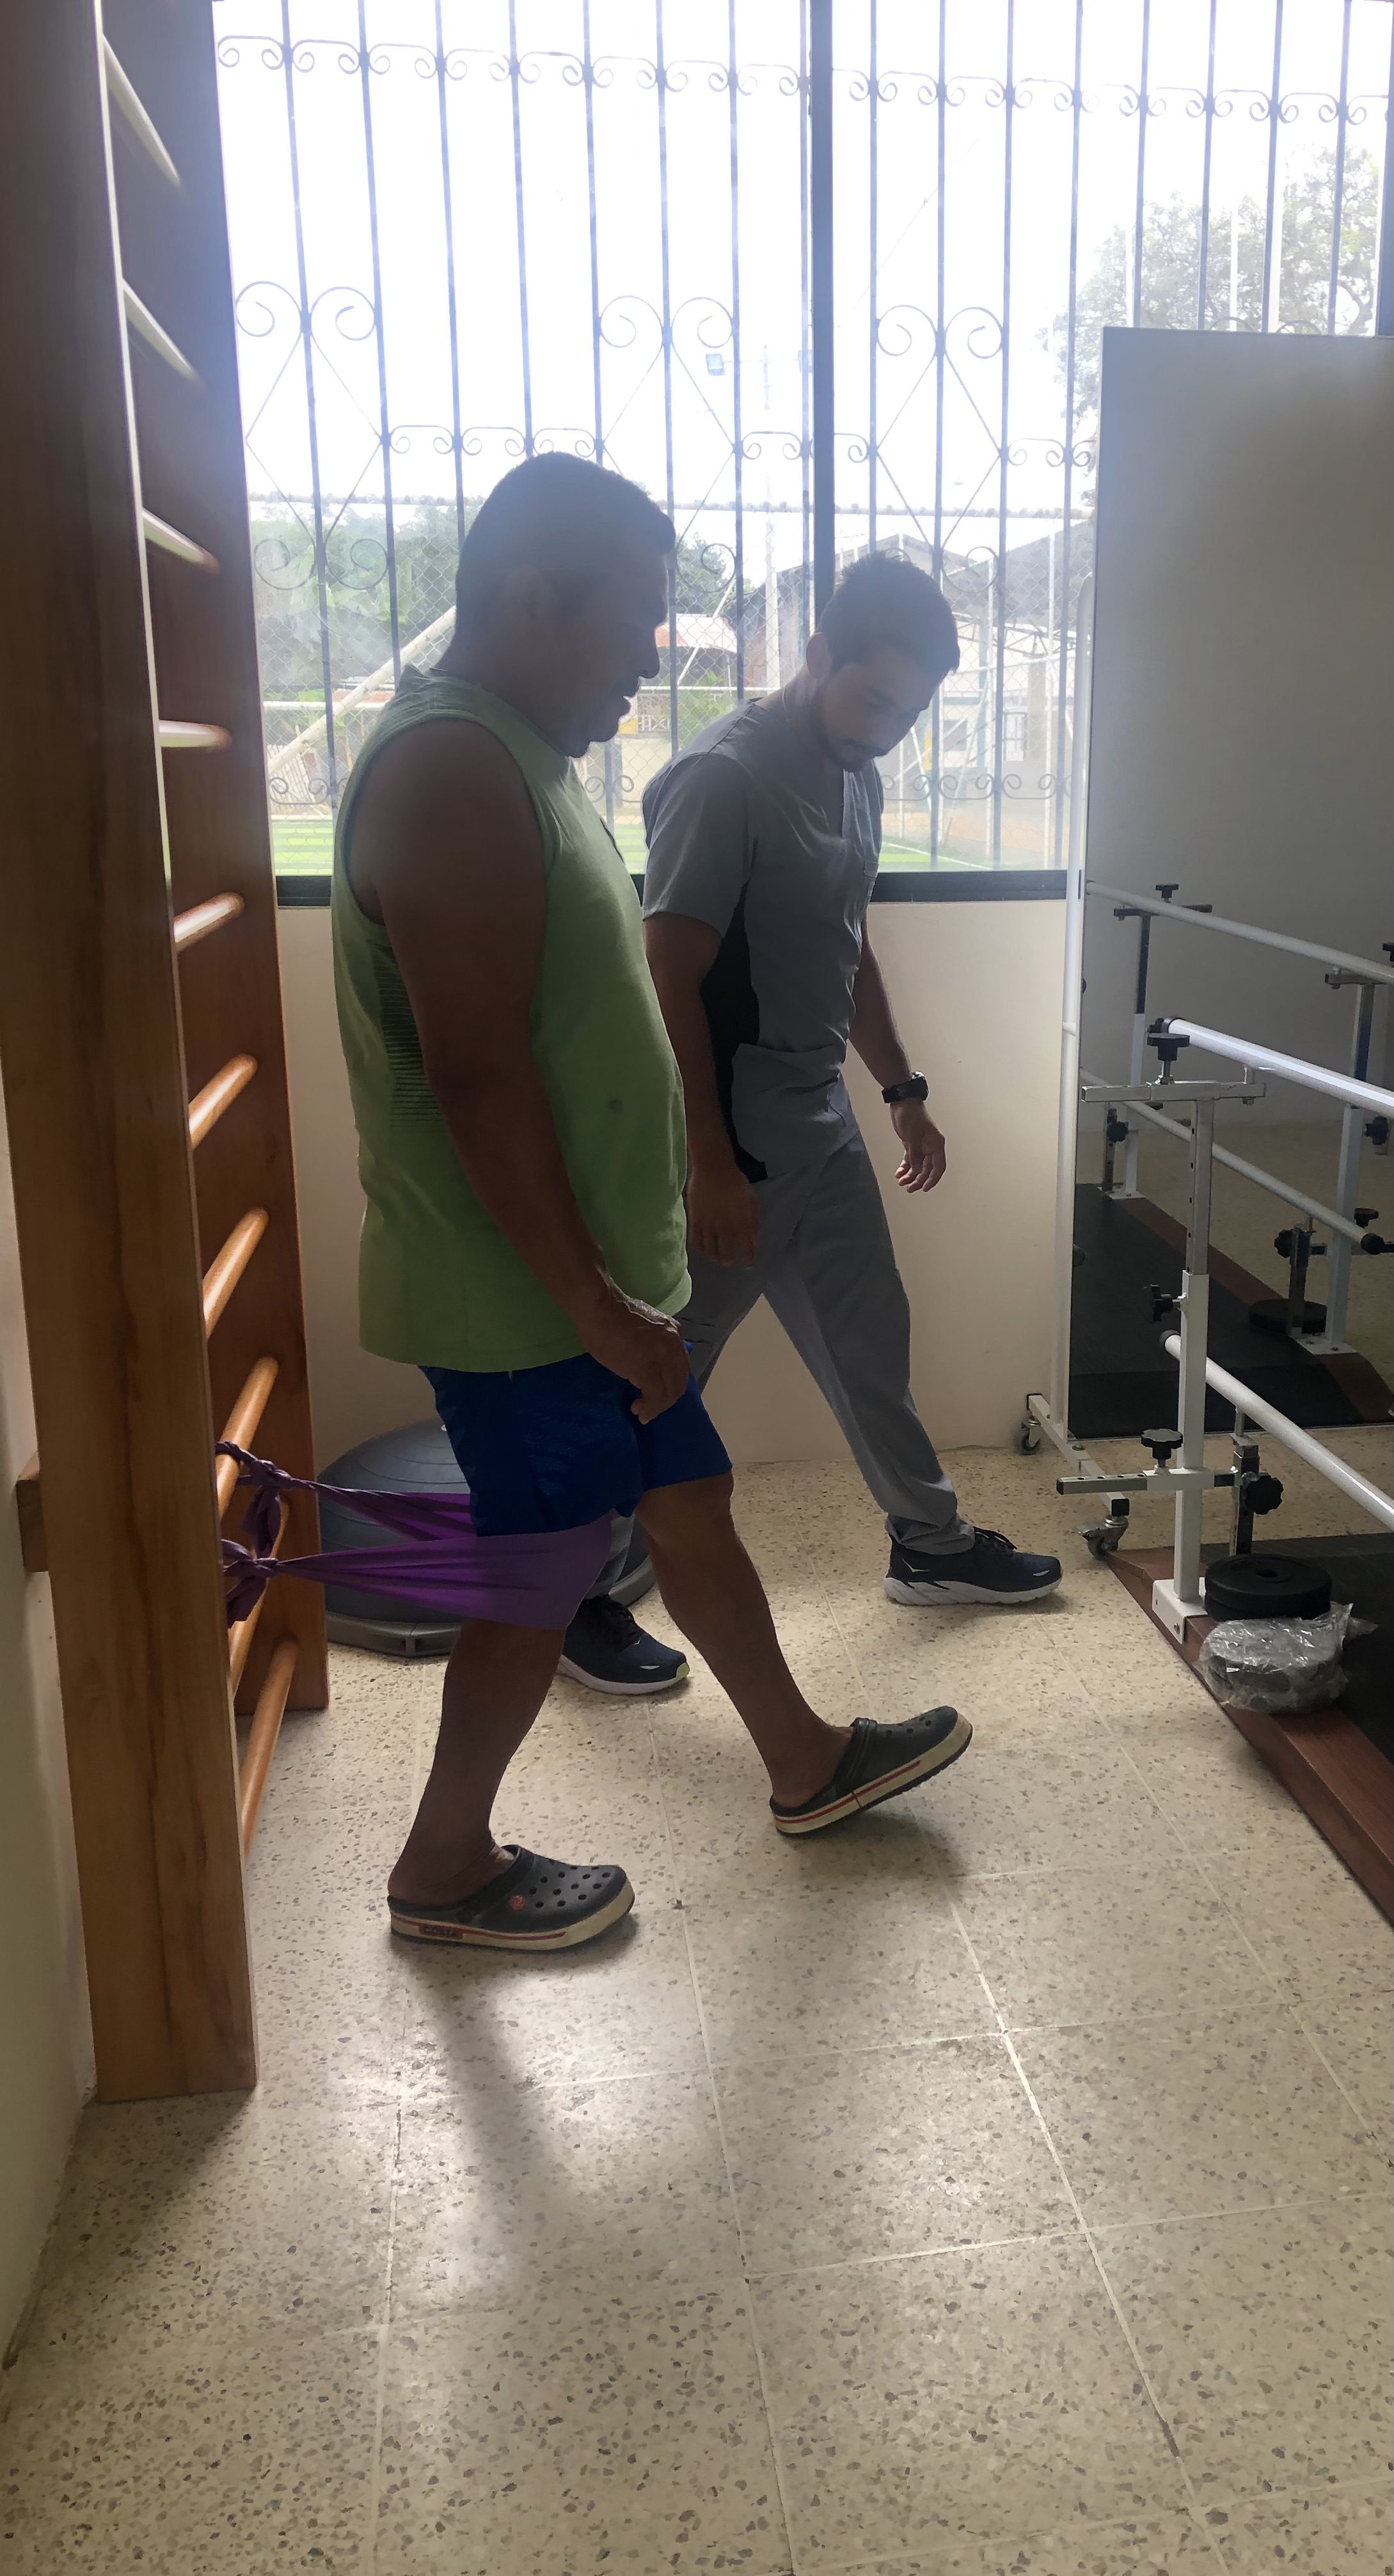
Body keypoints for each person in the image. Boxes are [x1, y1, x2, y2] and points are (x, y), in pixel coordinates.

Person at [331, 457, 972, 1955]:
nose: (651, 654)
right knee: (544, 1565)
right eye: (634, 619)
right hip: (523, 1296)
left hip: (594, 1281)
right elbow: (477, 1077)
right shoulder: (448, 768)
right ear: (533, 598)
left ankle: (804, 1760)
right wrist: (596, 1304)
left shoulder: (520, 752)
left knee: (686, 1500)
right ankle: (442, 1864)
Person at [640, 552, 1063, 1610]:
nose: (886, 730)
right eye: (874, 699)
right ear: (818, 654)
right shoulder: (723, 780)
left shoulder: (855, 775)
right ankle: (580, 1586)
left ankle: (930, 1543)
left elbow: (847, 944)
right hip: (736, 1132)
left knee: (869, 1339)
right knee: (664, 1364)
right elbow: (668, 978)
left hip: (820, 1117)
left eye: (909, 713)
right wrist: (707, 1162)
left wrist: (902, 1090)